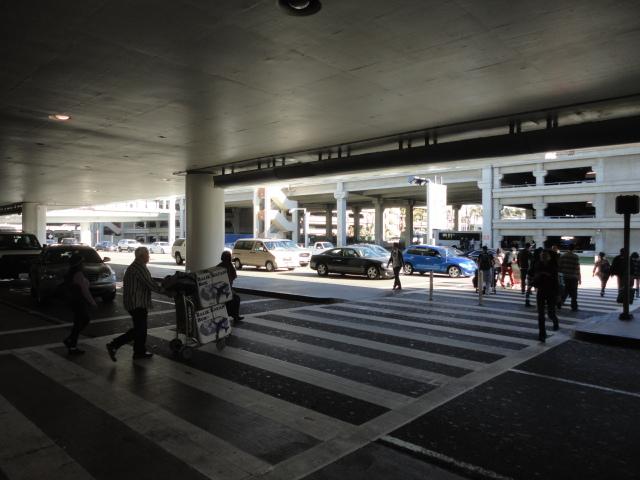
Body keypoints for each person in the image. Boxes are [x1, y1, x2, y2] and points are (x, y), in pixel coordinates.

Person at [107, 246, 163, 361]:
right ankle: (114, 345)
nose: (149, 257)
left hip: (134, 302)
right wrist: (167, 292)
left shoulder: (135, 266)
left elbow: (148, 281)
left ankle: (139, 351)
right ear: (142, 256)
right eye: (147, 255)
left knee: (141, 328)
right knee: (139, 329)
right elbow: (150, 284)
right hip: (137, 303)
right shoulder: (139, 267)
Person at [63, 253, 97, 354]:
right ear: (78, 264)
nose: (83, 264)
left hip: (74, 301)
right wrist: (92, 303)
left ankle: (70, 341)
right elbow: (85, 291)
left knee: (79, 323)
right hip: (79, 302)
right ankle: (71, 344)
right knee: (82, 321)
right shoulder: (78, 274)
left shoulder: (71, 272)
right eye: (82, 262)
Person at [530, 247, 560, 341]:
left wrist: (558, 295)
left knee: (551, 313)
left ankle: (555, 322)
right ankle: (542, 334)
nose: (543, 257)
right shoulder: (537, 265)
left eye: (545, 255)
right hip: (541, 291)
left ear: (549, 257)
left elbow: (556, 281)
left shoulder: (553, 266)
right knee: (541, 315)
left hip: (551, 292)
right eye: (542, 255)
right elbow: (533, 276)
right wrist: (537, 277)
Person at [217, 250, 244, 323]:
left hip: (223, 289)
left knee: (234, 298)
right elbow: (233, 277)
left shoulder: (219, 266)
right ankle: (235, 316)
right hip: (223, 290)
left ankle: (234, 315)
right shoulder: (229, 266)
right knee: (236, 298)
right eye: (229, 257)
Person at [558, 244, 581, 311]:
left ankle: (560, 303)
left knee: (564, 291)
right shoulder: (576, 257)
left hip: (564, 277)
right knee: (574, 292)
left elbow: (559, 267)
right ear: (574, 249)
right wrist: (579, 278)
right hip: (573, 277)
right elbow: (577, 268)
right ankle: (574, 306)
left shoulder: (563, 256)